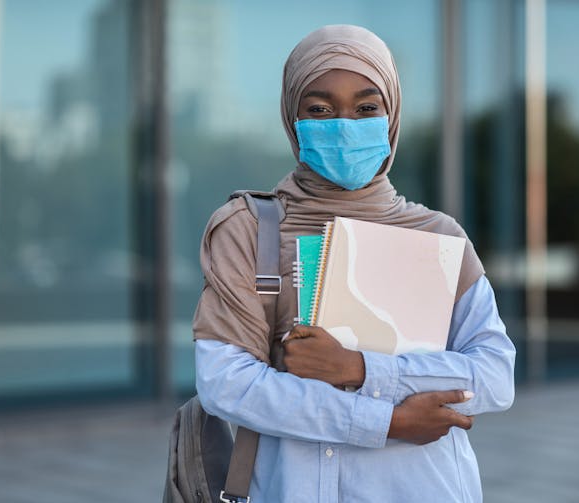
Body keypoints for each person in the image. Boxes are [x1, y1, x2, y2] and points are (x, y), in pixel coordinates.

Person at [193, 24, 516, 503]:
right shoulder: (247, 228)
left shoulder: (438, 237)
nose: (344, 125)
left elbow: (493, 375)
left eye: (366, 108)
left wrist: (360, 370)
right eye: (320, 109)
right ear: (291, 118)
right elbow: (226, 383)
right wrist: (388, 420)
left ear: (391, 117)